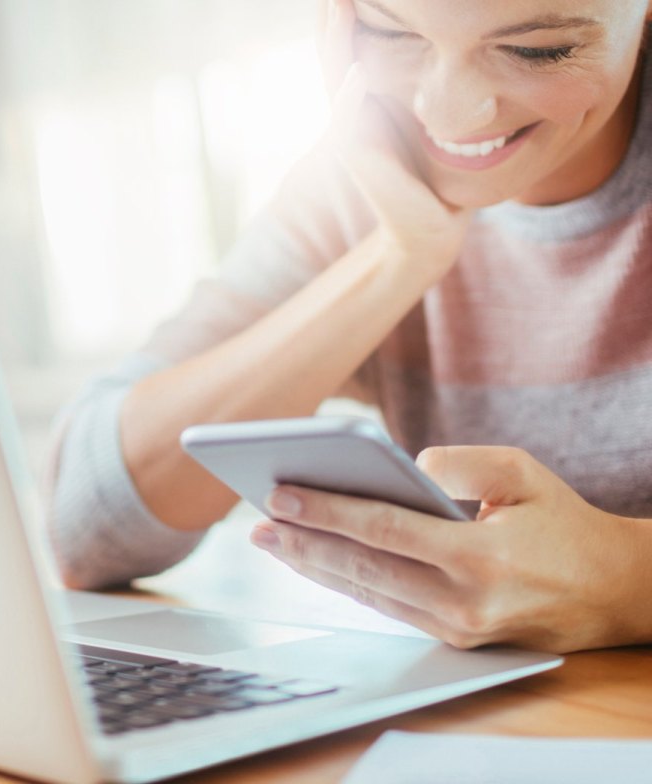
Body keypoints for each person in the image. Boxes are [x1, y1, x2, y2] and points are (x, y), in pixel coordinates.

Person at [45, 0, 652, 654]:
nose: (448, 114)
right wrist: (398, 257)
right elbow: (87, 527)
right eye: (392, 32)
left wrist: (625, 579)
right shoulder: (360, 180)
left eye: (539, 50)